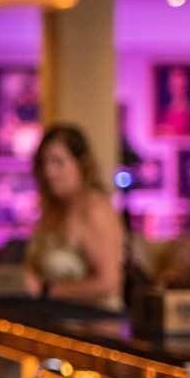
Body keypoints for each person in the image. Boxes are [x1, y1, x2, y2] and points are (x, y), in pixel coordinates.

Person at [24, 124, 125, 309]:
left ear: (81, 164)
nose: (49, 172)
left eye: (58, 162)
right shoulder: (53, 209)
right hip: (53, 318)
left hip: (93, 321)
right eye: (44, 163)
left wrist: (46, 291)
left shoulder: (95, 209)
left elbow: (108, 282)